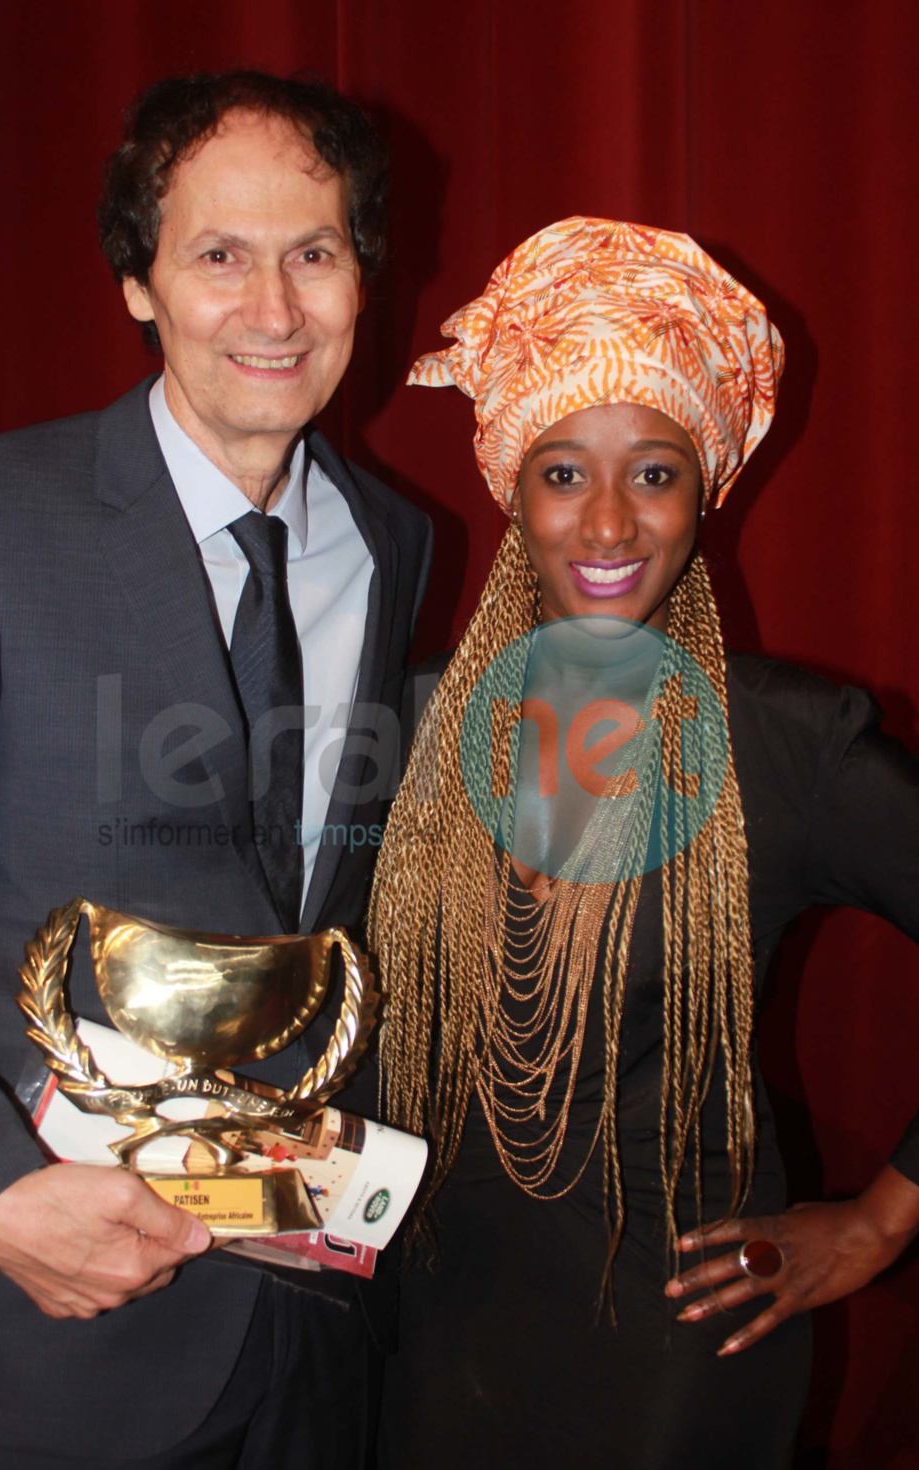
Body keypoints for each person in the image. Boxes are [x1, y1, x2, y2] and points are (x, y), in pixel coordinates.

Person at [368, 217, 919, 1468]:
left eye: (653, 472)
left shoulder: (786, 744)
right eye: (562, 472)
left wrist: (880, 1224)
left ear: (705, 485)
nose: (607, 524)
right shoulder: (401, 724)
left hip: (672, 1355)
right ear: (510, 486)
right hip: (422, 1332)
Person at [0, 70, 431, 1469]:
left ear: (361, 277)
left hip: (327, 1319)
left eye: (314, 254)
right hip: (72, 1329)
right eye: (219, 255)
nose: (272, 310)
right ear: (138, 284)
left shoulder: (396, 544)